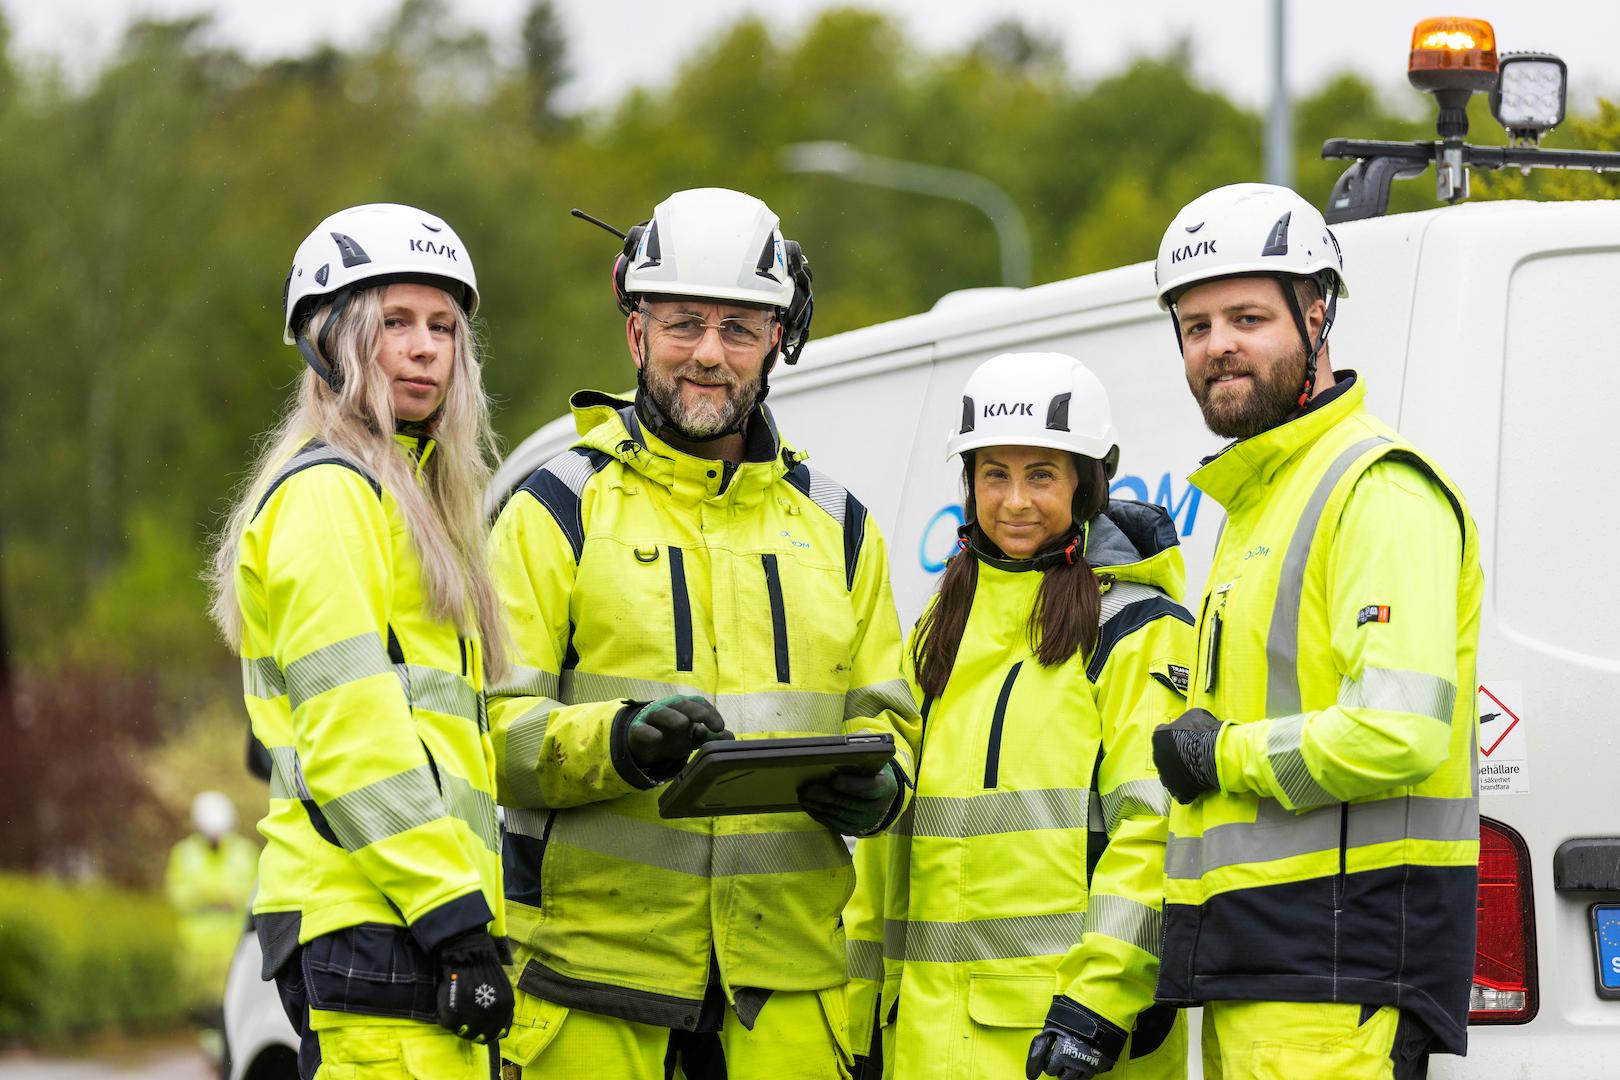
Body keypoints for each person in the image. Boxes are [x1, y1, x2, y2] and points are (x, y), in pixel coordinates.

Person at [486, 186, 922, 1079]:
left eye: (740, 328)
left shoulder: (840, 529)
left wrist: (884, 790)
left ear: (777, 341)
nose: (710, 357)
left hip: (786, 1000)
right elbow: (483, 731)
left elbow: (896, 723)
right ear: (637, 330)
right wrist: (618, 743)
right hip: (590, 989)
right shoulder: (555, 510)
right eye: (685, 323)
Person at [1146, 183, 1483, 1079]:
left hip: (1338, 975)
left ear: (1318, 312)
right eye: (1196, 325)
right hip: (1263, 973)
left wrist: (1225, 756)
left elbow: (1398, 730)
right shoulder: (1257, 502)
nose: (1219, 346)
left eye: (1248, 316)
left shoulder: (1375, 489)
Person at [208, 203, 515, 1080]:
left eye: (443, 326)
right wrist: (455, 922)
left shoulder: (411, 501)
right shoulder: (331, 497)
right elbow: (354, 741)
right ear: (331, 338)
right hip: (378, 919)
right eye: (394, 322)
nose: (425, 347)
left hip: (402, 915)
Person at [844, 353, 1192, 1080]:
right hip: (921, 1040)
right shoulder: (943, 622)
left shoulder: (1138, 628)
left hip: (1063, 1045)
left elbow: (1156, 832)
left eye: (1042, 474)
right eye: (993, 474)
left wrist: (1094, 1010)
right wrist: (858, 1013)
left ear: (1087, 483)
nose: (1015, 501)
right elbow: (886, 854)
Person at [165, 791, 258, 1014]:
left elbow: (257, 892)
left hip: (237, 945)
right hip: (196, 949)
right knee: (203, 1006)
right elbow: (176, 894)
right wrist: (217, 896)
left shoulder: (246, 852)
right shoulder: (184, 853)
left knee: (235, 1004)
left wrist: (214, 897)